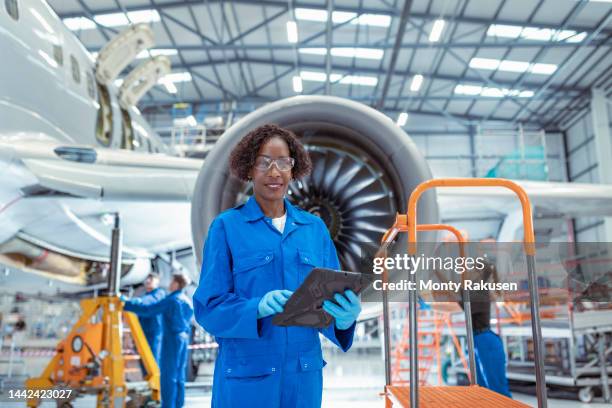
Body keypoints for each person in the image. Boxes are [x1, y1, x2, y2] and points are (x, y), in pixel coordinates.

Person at [193, 124, 362, 408]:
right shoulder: (226, 227)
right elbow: (208, 309)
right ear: (249, 169)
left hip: (302, 380)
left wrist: (344, 319)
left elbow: (329, 303)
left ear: (293, 170)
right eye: (264, 162)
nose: (275, 172)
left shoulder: (314, 229)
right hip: (247, 382)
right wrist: (256, 308)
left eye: (284, 162)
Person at [123, 274, 194, 408]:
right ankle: (179, 405)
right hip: (184, 339)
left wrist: (126, 303)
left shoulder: (171, 299)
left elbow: (149, 309)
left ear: (176, 284)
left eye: (171, 281)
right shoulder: (186, 300)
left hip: (171, 339)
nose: (169, 284)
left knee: (168, 376)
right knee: (179, 376)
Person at [461, 261, 511, 398]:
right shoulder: (471, 290)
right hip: (476, 341)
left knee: (497, 390)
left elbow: (458, 304)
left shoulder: (480, 292)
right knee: (481, 390)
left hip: (485, 341)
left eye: (471, 268)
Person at [124, 273, 165, 364]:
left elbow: (148, 304)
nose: (148, 281)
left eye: (151, 279)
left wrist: (135, 301)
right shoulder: (145, 295)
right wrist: (126, 304)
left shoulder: (159, 294)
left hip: (154, 333)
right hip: (143, 332)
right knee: (144, 362)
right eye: (147, 279)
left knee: (152, 361)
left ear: (157, 282)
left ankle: (155, 379)